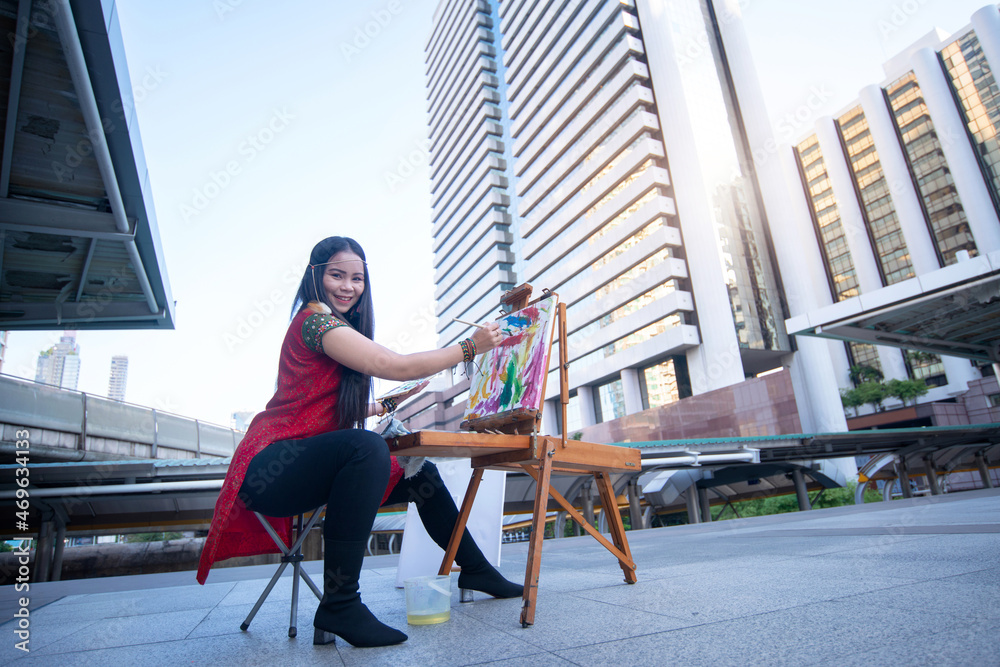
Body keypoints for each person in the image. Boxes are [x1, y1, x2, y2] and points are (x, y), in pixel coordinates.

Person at [196, 236, 523, 648]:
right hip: (270, 466)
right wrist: (470, 346)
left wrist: (378, 407)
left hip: (306, 462)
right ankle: (341, 603)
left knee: (419, 473)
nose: (348, 286)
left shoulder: (334, 324)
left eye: (357, 278)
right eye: (337, 275)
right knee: (366, 448)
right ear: (315, 276)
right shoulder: (316, 320)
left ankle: (475, 568)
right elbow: (392, 365)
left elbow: (317, 406)